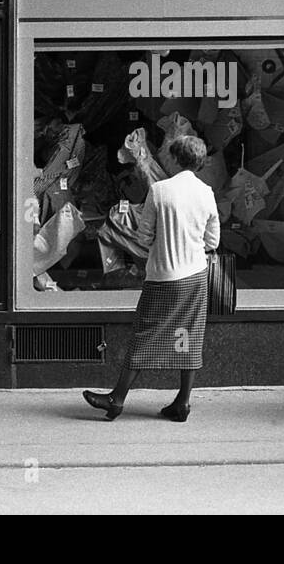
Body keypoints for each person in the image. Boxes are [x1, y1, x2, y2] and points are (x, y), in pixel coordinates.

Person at [83, 135, 220, 423]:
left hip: (163, 276)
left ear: (175, 158)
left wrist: (164, 239)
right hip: (195, 276)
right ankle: (182, 402)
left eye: (168, 156)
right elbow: (213, 240)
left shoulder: (159, 190)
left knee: (143, 334)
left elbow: (144, 237)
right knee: (190, 337)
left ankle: (116, 399)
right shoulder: (206, 191)